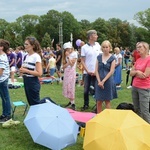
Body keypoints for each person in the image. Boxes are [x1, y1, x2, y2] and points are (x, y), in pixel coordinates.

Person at [81, 30, 102, 111]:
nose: (97, 36)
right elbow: (82, 60)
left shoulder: (98, 46)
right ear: (90, 37)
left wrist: (97, 70)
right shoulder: (84, 47)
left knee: (97, 89)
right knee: (86, 90)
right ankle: (86, 104)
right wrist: (87, 70)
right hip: (87, 72)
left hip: (96, 72)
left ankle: (97, 106)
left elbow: (100, 58)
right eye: (95, 35)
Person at [130, 41, 150, 123]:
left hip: (144, 88)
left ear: (146, 49)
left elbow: (145, 75)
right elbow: (131, 73)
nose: (138, 49)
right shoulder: (138, 60)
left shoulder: (149, 59)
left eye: (140, 47)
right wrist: (137, 72)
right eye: (137, 47)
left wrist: (135, 72)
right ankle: (139, 126)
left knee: (144, 111)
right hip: (135, 86)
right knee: (137, 109)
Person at [95, 40, 117, 113]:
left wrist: (103, 81)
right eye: (103, 47)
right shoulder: (98, 57)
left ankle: (107, 118)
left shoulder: (112, 58)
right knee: (99, 101)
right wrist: (99, 81)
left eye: (106, 47)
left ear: (109, 48)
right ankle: (99, 116)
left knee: (107, 101)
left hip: (108, 81)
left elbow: (111, 71)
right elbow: (96, 70)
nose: (105, 49)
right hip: (99, 80)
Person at [19, 37, 43, 106]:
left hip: (33, 81)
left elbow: (39, 73)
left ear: (33, 46)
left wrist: (26, 70)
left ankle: (47, 101)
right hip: (26, 81)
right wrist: (22, 71)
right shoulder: (26, 56)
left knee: (35, 103)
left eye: (27, 44)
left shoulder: (36, 56)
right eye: (24, 44)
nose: (25, 46)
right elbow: (26, 69)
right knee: (31, 103)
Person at [62, 42, 77, 110]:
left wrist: (68, 57)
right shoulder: (65, 55)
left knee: (71, 87)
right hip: (66, 73)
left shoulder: (74, 54)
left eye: (69, 49)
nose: (68, 51)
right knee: (67, 87)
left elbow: (71, 64)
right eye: (67, 50)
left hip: (71, 72)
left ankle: (73, 103)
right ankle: (70, 101)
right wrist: (67, 60)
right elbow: (63, 66)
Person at [0, 39, 12, 123]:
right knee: (4, 98)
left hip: (2, 80)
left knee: (5, 98)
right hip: (2, 80)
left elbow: (0, 71)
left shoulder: (2, 57)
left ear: (1, 47)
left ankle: (7, 115)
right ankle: (4, 114)